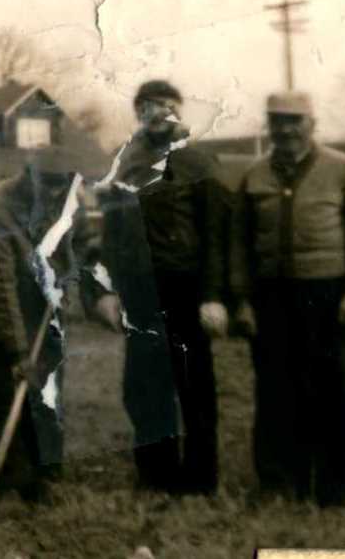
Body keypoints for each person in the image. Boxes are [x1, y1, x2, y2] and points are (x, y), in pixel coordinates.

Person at [230, 91, 345, 507]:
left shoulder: (342, 168)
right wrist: (242, 300)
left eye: (294, 120)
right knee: (276, 391)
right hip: (273, 299)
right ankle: (279, 484)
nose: (285, 129)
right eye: (277, 121)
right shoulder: (254, 175)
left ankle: (334, 489)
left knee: (336, 392)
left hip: (331, 296)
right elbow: (239, 245)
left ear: (312, 124)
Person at [93, 80, 229, 495]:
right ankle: (156, 476)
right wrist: (108, 291)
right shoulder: (124, 167)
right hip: (140, 295)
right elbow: (110, 238)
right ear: (139, 114)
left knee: (195, 389)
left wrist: (213, 295)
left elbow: (217, 236)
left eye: (167, 106)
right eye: (149, 107)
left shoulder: (201, 164)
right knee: (144, 389)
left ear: (179, 112)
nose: (158, 114)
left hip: (187, 292)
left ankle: (201, 480)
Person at [0, 147, 90, 503]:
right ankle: (13, 478)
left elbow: (74, 249)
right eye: (48, 186)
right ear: (30, 178)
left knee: (47, 389)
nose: (56, 194)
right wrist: (18, 351)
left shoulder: (66, 202)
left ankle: (47, 468)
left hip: (43, 309)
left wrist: (66, 282)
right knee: (5, 391)